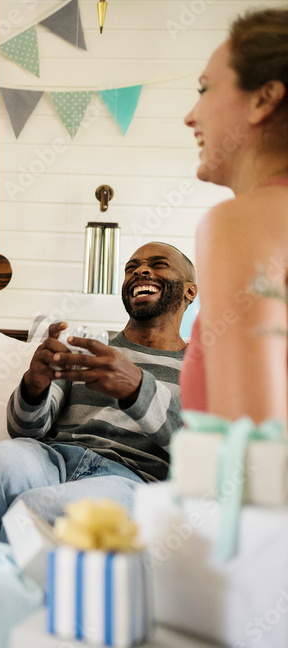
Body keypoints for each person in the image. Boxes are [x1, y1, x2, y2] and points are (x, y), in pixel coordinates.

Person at [0, 243, 197, 541]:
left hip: (130, 479)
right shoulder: (87, 346)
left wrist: (137, 389)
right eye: (131, 267)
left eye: (158, 264)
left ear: (190, 291)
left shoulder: (202, 367)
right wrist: (34, 383)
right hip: (52, 457)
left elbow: (200, 449)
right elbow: (26, 430)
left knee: (39, 511)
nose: (140, 270)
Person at [181, 9, 288, 423]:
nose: (190, 115)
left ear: (263, 98)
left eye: (205, 89)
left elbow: (249, 457)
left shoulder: (239, 222)